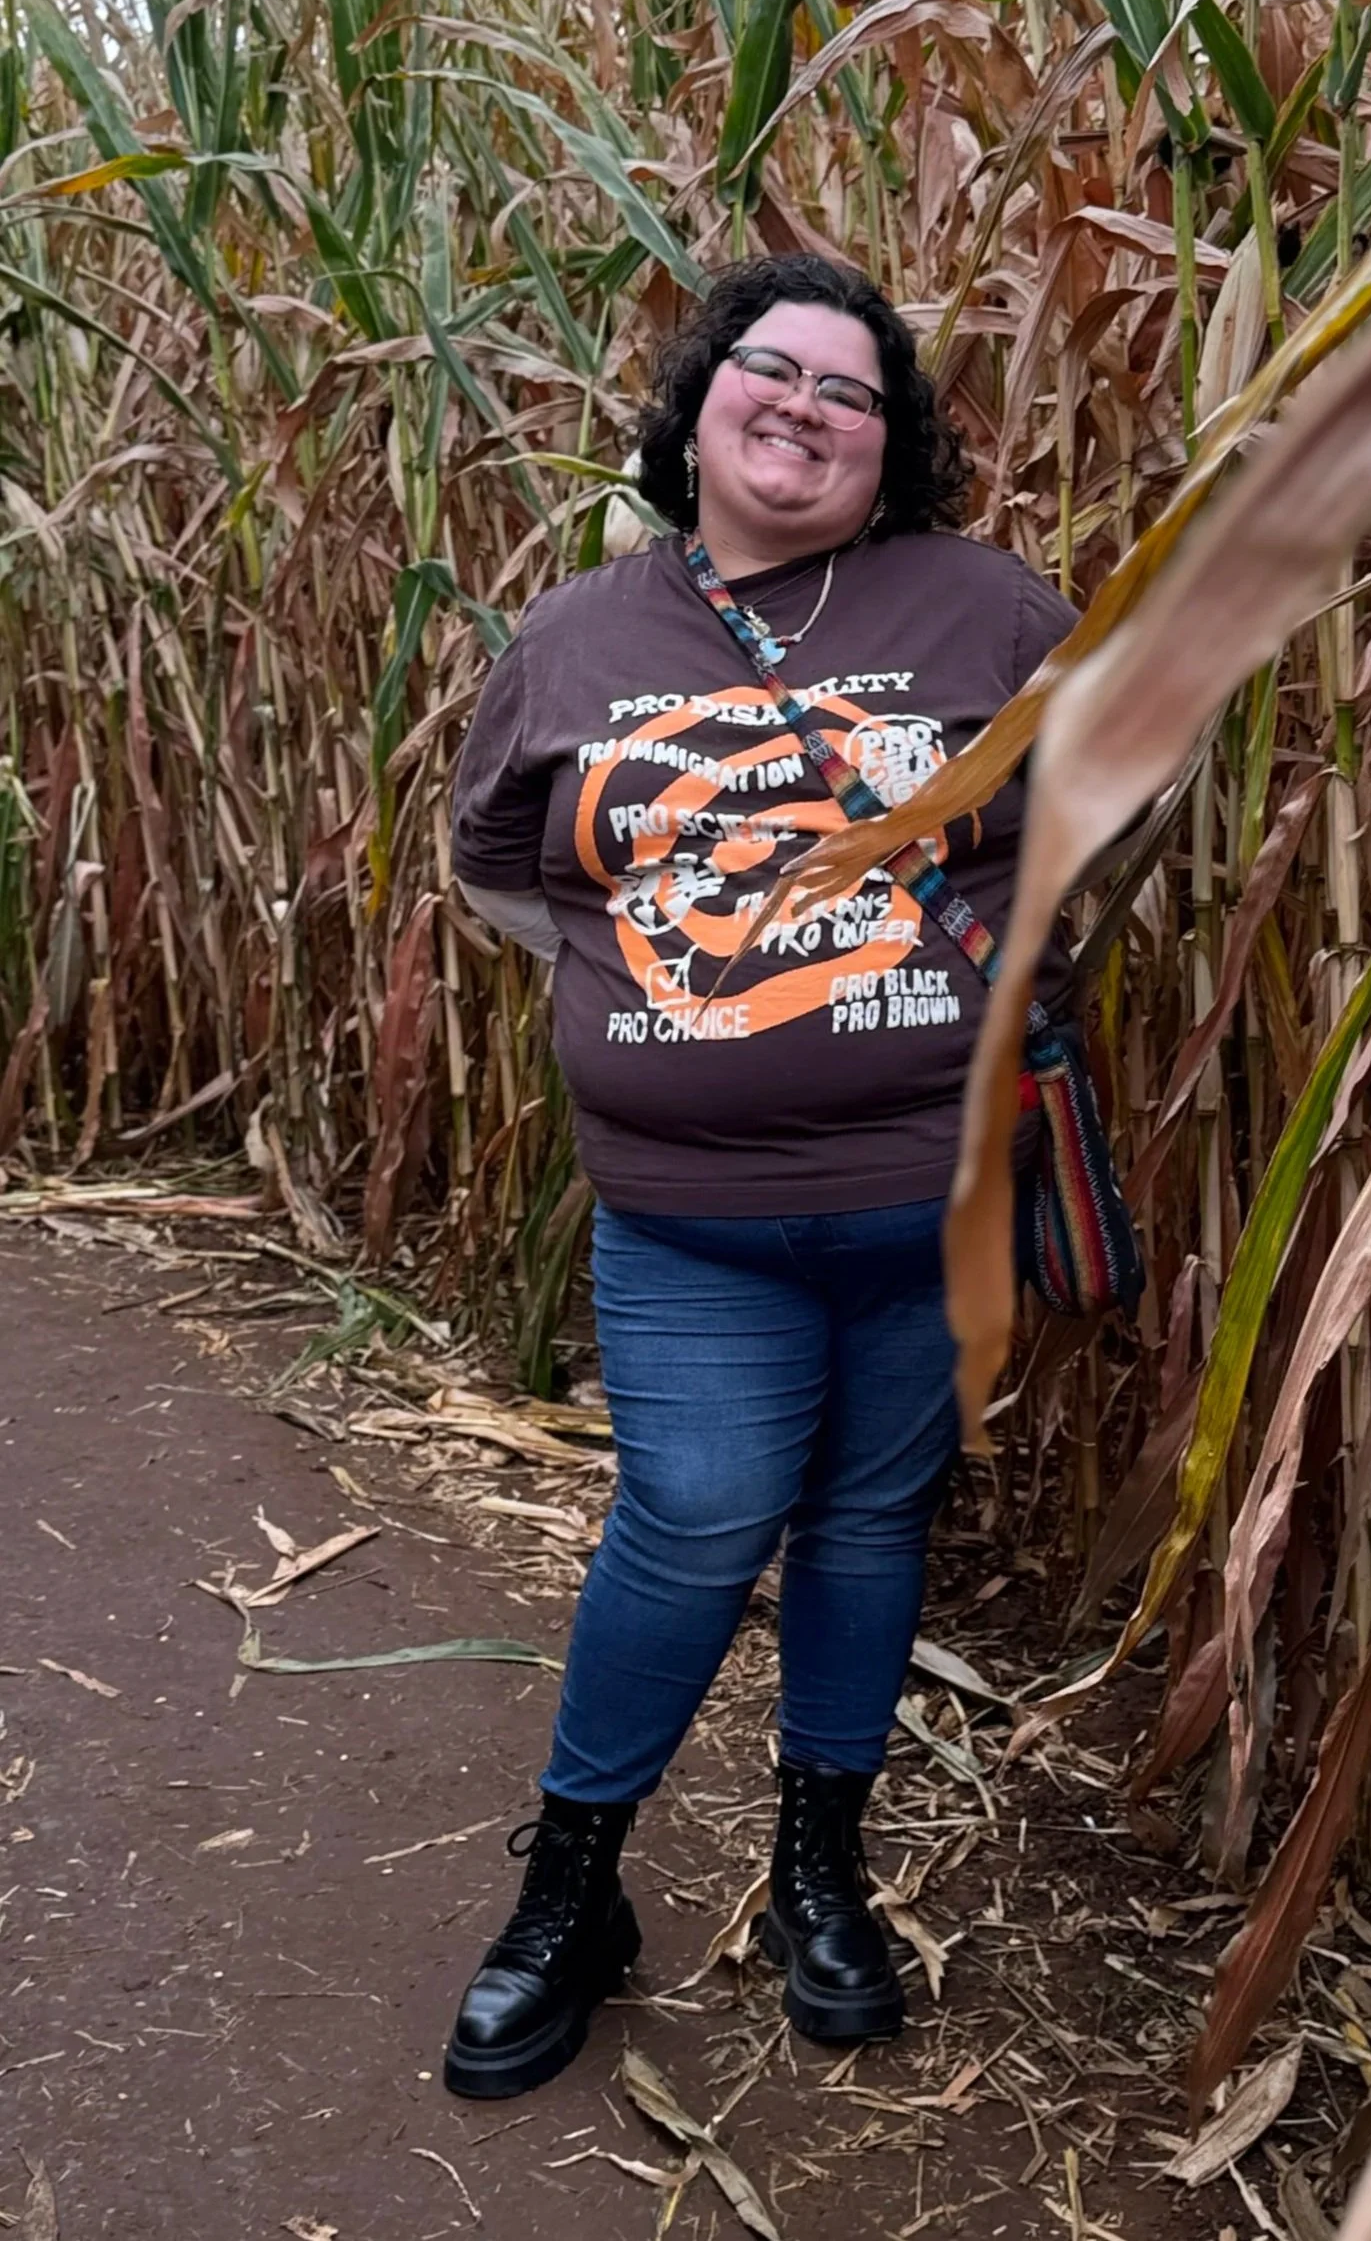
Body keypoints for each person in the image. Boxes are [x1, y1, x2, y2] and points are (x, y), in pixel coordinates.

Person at [445, 252, 1076, 2101]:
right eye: (769, 369)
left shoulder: (988, 610)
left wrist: (972, 957)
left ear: (893, 445)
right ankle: (573, 1893)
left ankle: (821, 1876)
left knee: (871, 1524)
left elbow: (1117, 800)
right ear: (701, 400)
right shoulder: (577, 637)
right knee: (698, 1516)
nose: (804, 405)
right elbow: (500, 871)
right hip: (692, 1220)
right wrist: (659, 1005)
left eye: (851, 391)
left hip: (929, 1198)